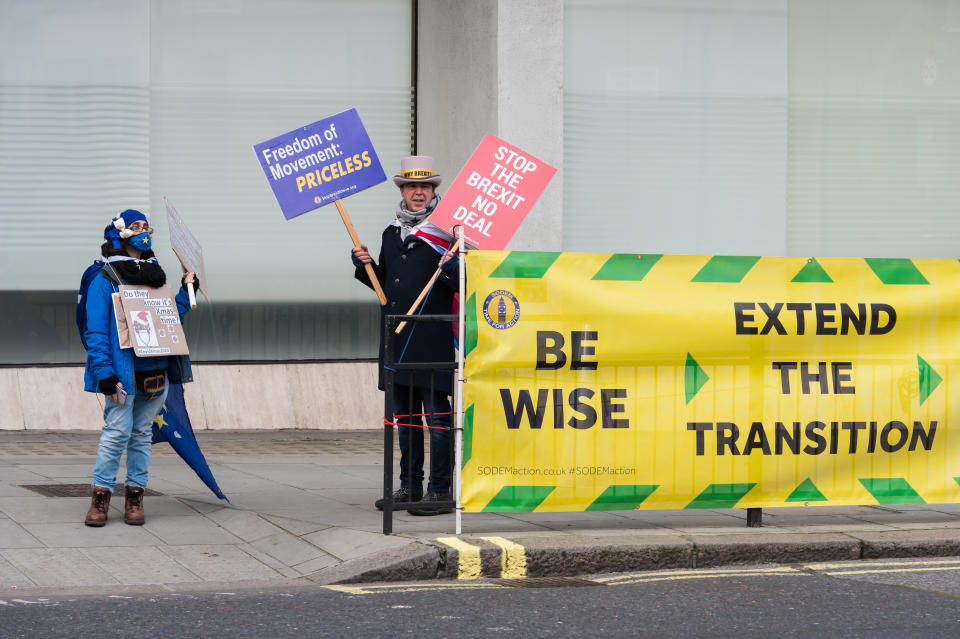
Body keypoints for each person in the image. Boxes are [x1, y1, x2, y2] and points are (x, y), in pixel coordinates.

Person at [352, 156, 458, 516]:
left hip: (430, 338)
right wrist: (364, 266)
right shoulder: (390, 231)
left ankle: (440, 491)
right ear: (402, 190)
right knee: (405, 418)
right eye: (412, 187)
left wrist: (451, 268)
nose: (418, 193)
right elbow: (386, 287)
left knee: (437, 421)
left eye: (425, 187)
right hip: (395, 337)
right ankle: (410, 486)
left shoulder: (451, 235)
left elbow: (464, 283)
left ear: (433, 191)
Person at [83, 209, 196, 527]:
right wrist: (104, 373)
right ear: (119, 233)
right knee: (116, 434)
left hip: (156, 370)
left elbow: (171, 318)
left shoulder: (155, 275)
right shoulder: (103, 278)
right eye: (136, 226)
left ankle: (135, 497)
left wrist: (190, 289)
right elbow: (95, 329)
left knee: (142, 435)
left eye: (147, 227)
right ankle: (100, 498)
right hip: (122, 373)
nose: (144, 231)